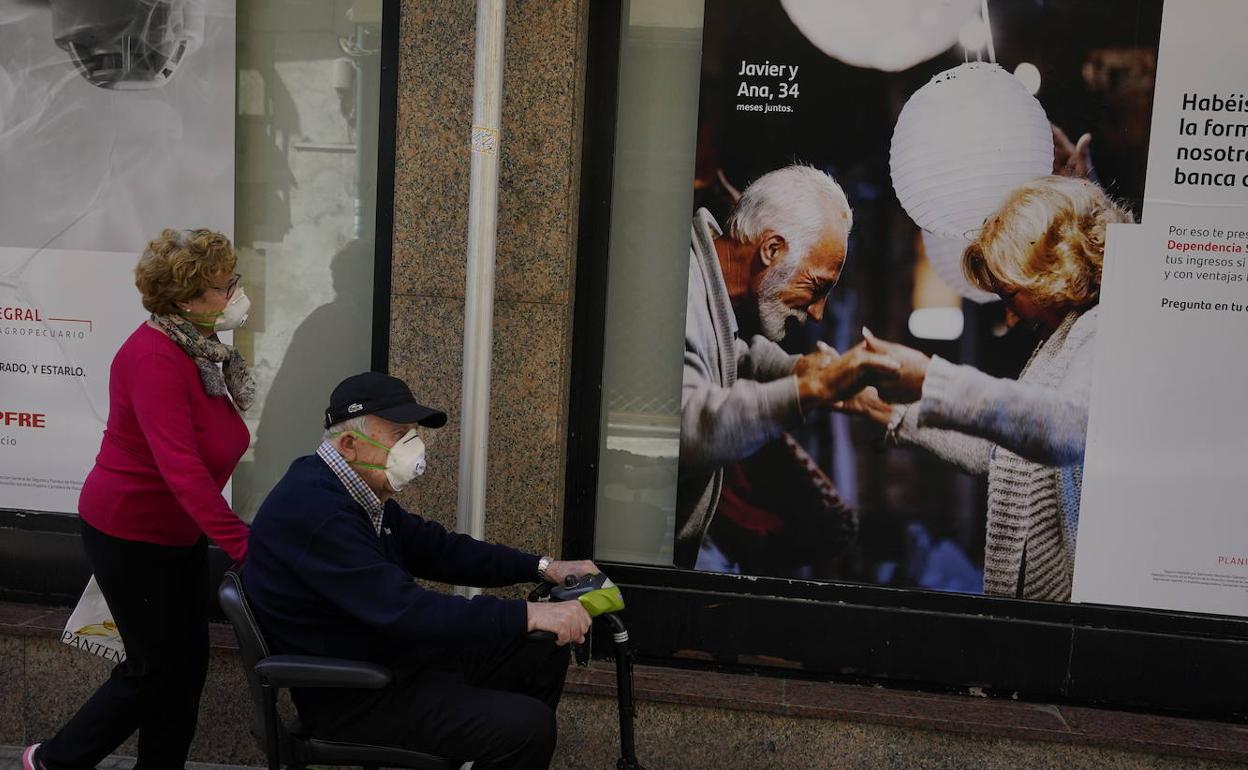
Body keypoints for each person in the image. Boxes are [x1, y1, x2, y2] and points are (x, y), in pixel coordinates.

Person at [242, 371, 598, 770]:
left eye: (413, 432)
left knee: (541, 647)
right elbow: (404, 609)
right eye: (399, 434)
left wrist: (543, 567)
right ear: (349, 445)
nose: (413, 447)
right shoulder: (318, 514)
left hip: (394, 663)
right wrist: (528, 613)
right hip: (357, 693)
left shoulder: (352, 491)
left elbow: (440, 549)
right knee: (528, 728)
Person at [838, 176, 1132, 601]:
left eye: (1011, 294)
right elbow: (1002, 451)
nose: (1009, 315)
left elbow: (1067, 429)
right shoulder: (1064, 336)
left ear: (1056, 271)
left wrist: (932, 378)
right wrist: (887, 409)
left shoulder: (1102, 326)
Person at [25, 229, 256, 770]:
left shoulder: (201, 349)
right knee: (152, 670)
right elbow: (183, 471)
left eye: (232, 280)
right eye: (224, 287)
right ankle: (53, 761)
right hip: (130, 532)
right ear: (186, 301)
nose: (236, 294)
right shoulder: (156, 358)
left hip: (175, 531)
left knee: (186, 668)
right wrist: (246, 546)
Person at [678, 163, 898, 568]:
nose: (817, 313)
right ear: (771, 249)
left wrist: (801, 371)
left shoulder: (708, 293)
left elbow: (730, 356)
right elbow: (684, 428)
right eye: (817, 287)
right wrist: (811, 390)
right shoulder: (679, 289)